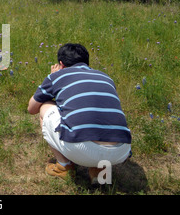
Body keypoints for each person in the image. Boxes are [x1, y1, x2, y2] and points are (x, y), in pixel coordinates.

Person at [27, 43, 132, 184]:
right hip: (121, 151)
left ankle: (64, 167)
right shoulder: (106, 77)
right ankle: (100, 172)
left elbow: (31, 108)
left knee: (45, 106)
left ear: (61, 64)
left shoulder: (57, 76)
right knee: (98, 113)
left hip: (82, 150)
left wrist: (54, 77)